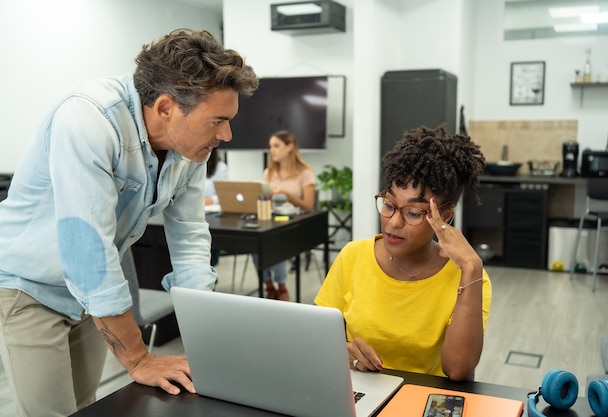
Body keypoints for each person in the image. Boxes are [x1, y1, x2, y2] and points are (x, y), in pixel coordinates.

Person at [0, 29, 258, 417]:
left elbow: (188, 236)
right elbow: (88, 254)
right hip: (29, 287)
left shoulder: (190, 144)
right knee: (48, 413)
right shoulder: (87, 120)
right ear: (167, 107)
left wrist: (206, 346)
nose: (226, 134)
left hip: (89, 297)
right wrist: (139, 360)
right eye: (217, 121)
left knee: (85, 408)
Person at [314, 125, 492, 381]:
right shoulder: (353, 256)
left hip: (420, 400)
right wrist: (344, 352)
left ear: (445, 215)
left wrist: (472, 268)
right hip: (355, 396)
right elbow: (316, 340)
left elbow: (458, 370)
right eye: (388, 204)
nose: (393, 223)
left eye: (413, 213)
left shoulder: (470, 278)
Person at [255, 130, 316, 301]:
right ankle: (268, 284)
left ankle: (281, 285)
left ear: (290, 147)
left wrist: (287, 195)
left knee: (274, 240)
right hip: (272, 220)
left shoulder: (305, 173)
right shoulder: (268, 173)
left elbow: (309, 206)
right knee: (257, 240)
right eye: (270, 146)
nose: (271, 150)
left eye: (276, 145)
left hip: (294, 225)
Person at [204, 150, 228, 266]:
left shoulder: (220, 167)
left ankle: (211, 268)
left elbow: (224, 194)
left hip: (212, 215)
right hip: (192, 212)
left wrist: (209, 200)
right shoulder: (190, 164)